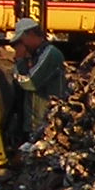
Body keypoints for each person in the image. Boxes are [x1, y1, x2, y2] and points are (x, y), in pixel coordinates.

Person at [7, 18, 67, 146]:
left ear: (31, 34)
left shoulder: (50, 54)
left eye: (21, 41)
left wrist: (19, 59)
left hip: (46, 122)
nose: (22, 46)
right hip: (35, 122)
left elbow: (29, 82)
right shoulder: (36, 55)